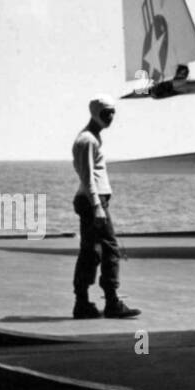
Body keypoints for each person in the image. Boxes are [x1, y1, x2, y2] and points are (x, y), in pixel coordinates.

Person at [71, 95, 140, 319]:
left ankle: (83, 303)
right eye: (105, 112)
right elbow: (88, 176)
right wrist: (98, 206)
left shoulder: (92, 138)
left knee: (91, 251)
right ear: (95, 113)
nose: (110, 117)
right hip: (94, 202)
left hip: (93, 201)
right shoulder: (87, 140)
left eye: (112, 112)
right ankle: (111, 302)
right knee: (109, 249)